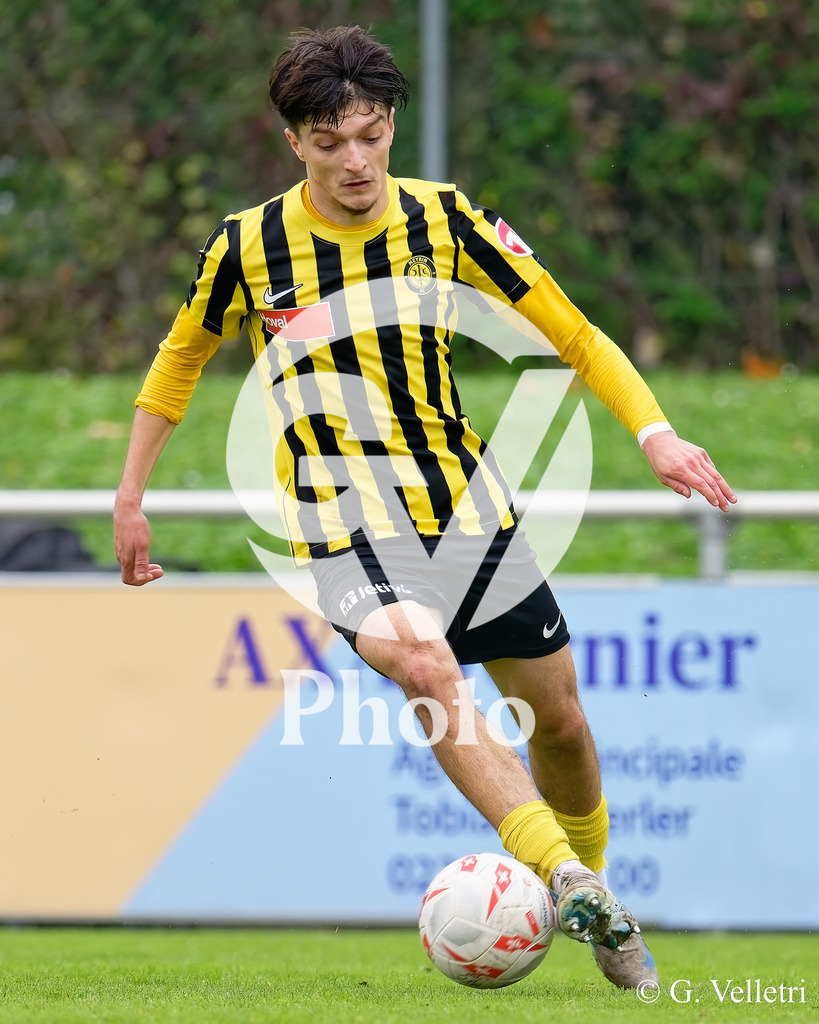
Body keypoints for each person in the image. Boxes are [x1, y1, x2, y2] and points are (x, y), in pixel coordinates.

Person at [114, 26, 736, 990]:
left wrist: (652, 430)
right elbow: (178, 360)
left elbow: (570, 331)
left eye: (369, 136)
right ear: (295, 144)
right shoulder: (248, 245)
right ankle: (560, 873)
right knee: (423, 662)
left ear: (391, 124)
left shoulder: (446, 220)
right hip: (336, 519)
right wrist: (131, 494)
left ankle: (598, 897)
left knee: (561, 725)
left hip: (463, 507)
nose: (354, 161)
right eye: (330, 143)